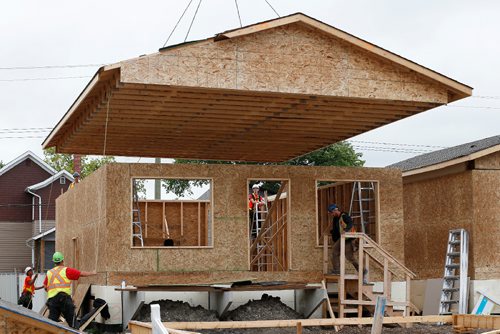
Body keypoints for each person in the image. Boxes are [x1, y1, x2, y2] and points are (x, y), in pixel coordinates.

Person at [43, 251, 96, 328]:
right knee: (73, 324)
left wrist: (52, 292)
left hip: (52, 301)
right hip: (64, 299)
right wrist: (92, 273)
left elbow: (45, 286)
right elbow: (80, 273)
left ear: (54, 262)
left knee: (52, 324)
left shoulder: (49, 272)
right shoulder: (66, 270)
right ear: (62, 261)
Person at [328, 204, 369, 284]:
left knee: (349, 257)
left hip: (348, 238)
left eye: (331, 212)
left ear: (335, 210)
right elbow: (337, 229)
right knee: (335, 251)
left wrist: (346, 230)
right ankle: (337, 270)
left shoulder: (344, 216)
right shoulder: (335, 218)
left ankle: (363, 271)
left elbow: (350, 223)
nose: (331, 214)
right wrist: (332, 233)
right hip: (342, 238)